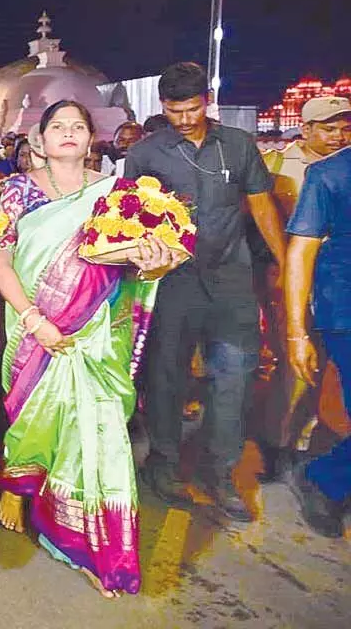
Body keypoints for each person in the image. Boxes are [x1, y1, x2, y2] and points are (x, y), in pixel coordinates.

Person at [0, 100, 179, 596]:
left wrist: (156, 264)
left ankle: (89, 543)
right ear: (40, 139)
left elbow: (136, 266)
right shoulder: (17, 191)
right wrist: (34, 320)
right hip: (33, 324)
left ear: (92, 137)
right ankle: (19, 481)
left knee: (99, 429)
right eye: (58, 126)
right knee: (33, 412)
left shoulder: (117, 192)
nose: (68, 133)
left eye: (78, 126)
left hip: (98, 330)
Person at [125, 62, 285, 521]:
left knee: (233, 377)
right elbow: (128, 219)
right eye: (174, 111)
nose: (184, 119)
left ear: (207, 102)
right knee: (167, 377)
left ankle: (221, 472)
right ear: (163, 107)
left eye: (192, 109)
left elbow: (261, 207)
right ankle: (164, 464)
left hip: (232, 282)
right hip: (171, 285)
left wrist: (283, 265)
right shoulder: (146, 153)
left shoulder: (237, 145)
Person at [255, 96, 351, 481]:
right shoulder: (276, 165)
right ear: (306, 129)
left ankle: (312, 441)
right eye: (329, 128)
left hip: (334, 284)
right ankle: (277, 444)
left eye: (344, 128)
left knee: (330, 372)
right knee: (296, 367)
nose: (338, 136)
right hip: (289, 280)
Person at [283, 141, 351, 538]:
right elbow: (301, 251)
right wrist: (296, 332)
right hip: (344, 309)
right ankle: (322, 480)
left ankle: (325, 473)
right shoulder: (329, 174)